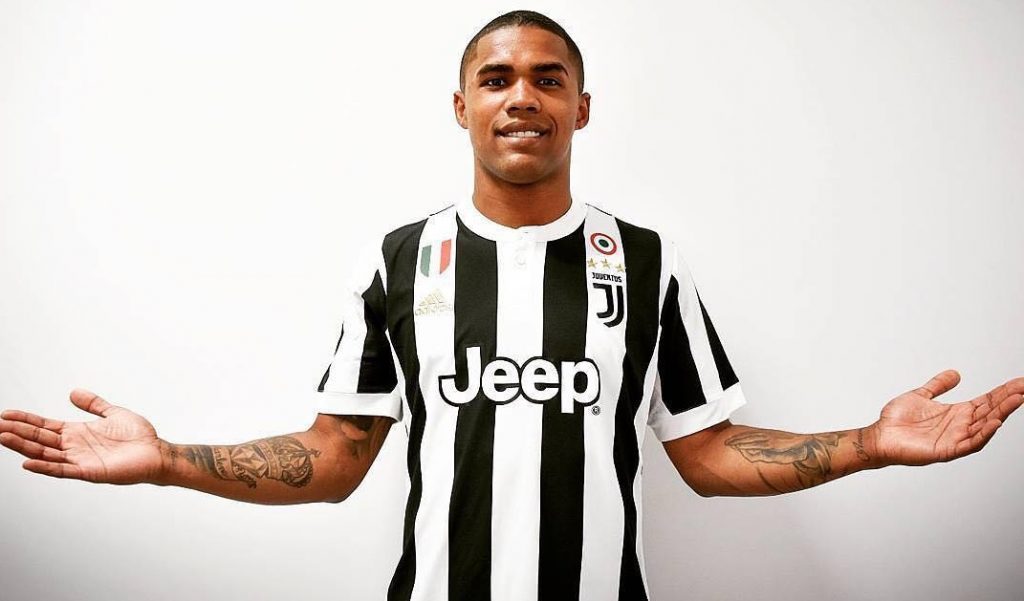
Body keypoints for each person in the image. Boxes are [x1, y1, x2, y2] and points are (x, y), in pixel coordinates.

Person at [1, 9, 1021, 601]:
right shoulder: (399, 260)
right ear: (463, 107)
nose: (521, 96)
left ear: (582, 105)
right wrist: (170, 459)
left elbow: (709, 454)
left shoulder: (649, 262)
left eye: (547, 78)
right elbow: (335, 455)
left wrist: (870, 444)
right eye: (495, 79)